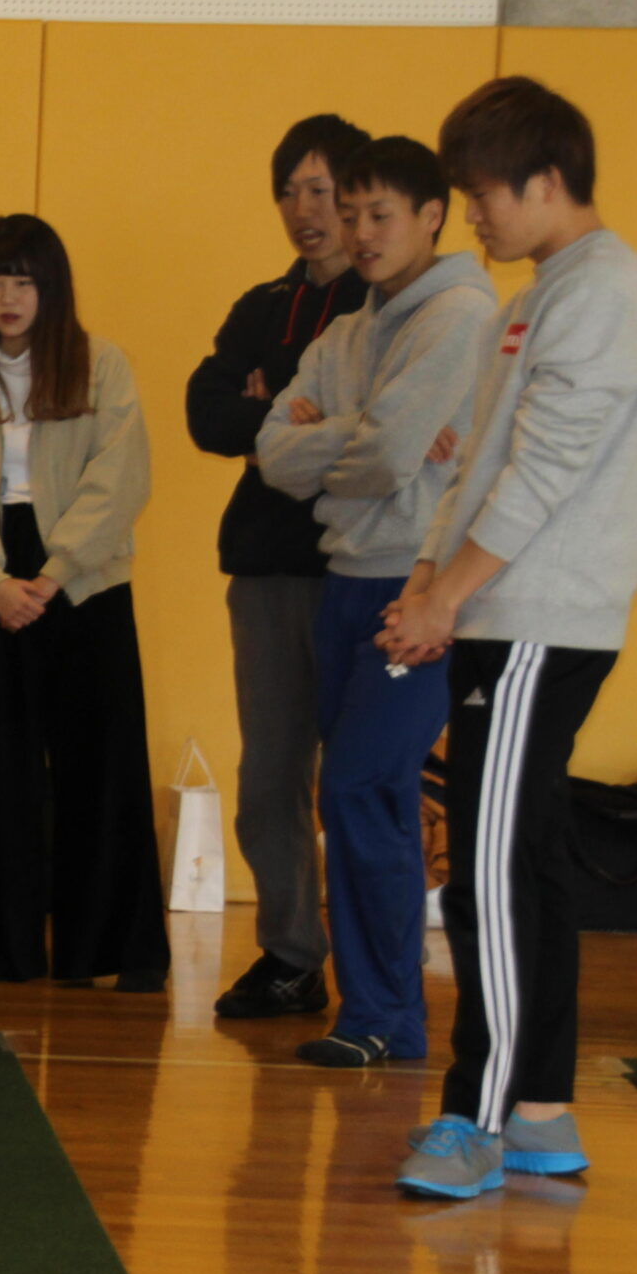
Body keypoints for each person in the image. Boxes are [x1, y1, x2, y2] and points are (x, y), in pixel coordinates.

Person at [383, 78, 637, 1199]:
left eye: (484, 196)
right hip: (505, 612)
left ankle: (478, 1113)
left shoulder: (600, 291)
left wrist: (448, 594)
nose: (476, 218)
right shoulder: (548, 291)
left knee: (487, 873)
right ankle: (541, 1110)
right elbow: (476, 459)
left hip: (537, 621)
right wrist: (427, 581)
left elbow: (545, 472)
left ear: (545, 183)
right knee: (530, 861)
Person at [255, 137, 495, 1068]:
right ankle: (385, 1019)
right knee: (366, 796)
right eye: (346, 214)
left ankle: (380, 1014)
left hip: (420, 581)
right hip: (345, 582)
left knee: (359, 785)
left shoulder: (461, 315)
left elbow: (396, 457)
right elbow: (276, 452)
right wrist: (355, 445)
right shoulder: (349, 329)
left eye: (377, 214)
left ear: (432, 214)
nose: (357, 232)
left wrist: (342, 447)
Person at [0, 214, 167, 990]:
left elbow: (119, 480)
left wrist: (55, 570)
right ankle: (7, 953)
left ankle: (105, 951)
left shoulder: (104, 367)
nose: (7, 296)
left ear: (51, 287)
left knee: (100, 768)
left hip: (85, 578)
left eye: (23, 280)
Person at [186, 114, 372, 1021]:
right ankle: (293, 955)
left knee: (357, 777)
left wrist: (280, 404)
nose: (308, 210)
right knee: (270, 778)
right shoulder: (261, 305)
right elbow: (205, 409)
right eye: (291, 191)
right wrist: (282, 420)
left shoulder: (385, 308)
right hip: (264, 566)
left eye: (326, 190)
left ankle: (375, 968)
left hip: (359, 570)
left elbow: (370, 430)